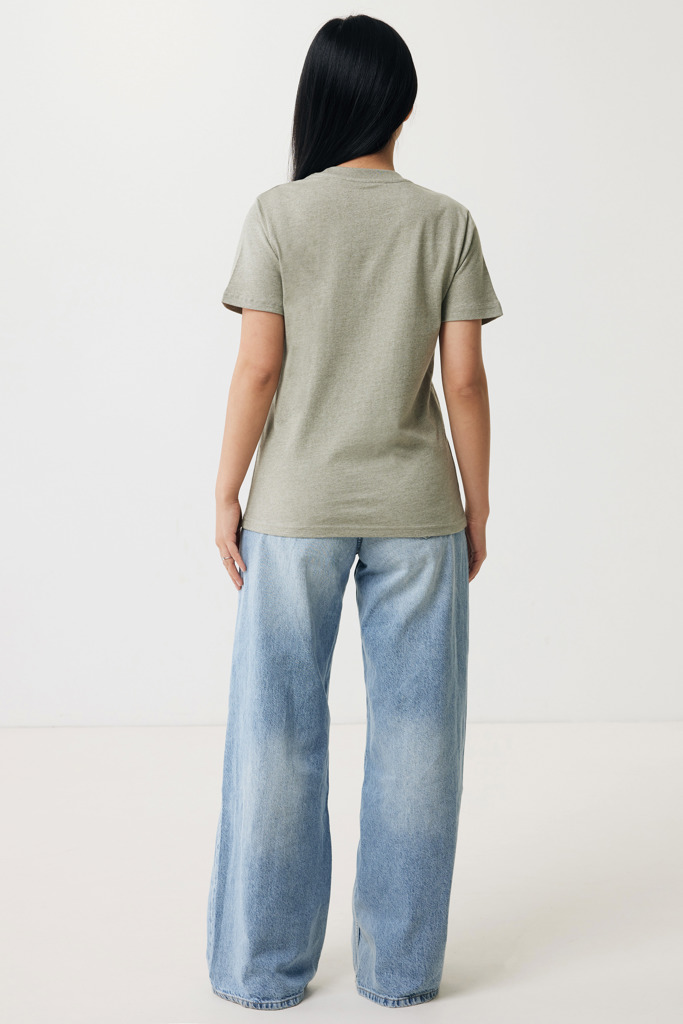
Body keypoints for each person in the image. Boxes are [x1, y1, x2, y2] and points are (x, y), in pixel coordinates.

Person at [206, 13, 503, 1011]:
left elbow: (257, 370)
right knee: (418, 745)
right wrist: (476, 503)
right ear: (401, 105)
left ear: (319, 102)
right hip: (418, 510)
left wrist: (225, 492)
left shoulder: (276, 216)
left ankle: (263, 971)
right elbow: (463, 382)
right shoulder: (445, 221)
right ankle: (401, 972)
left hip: (292, 509)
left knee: (275, 737)